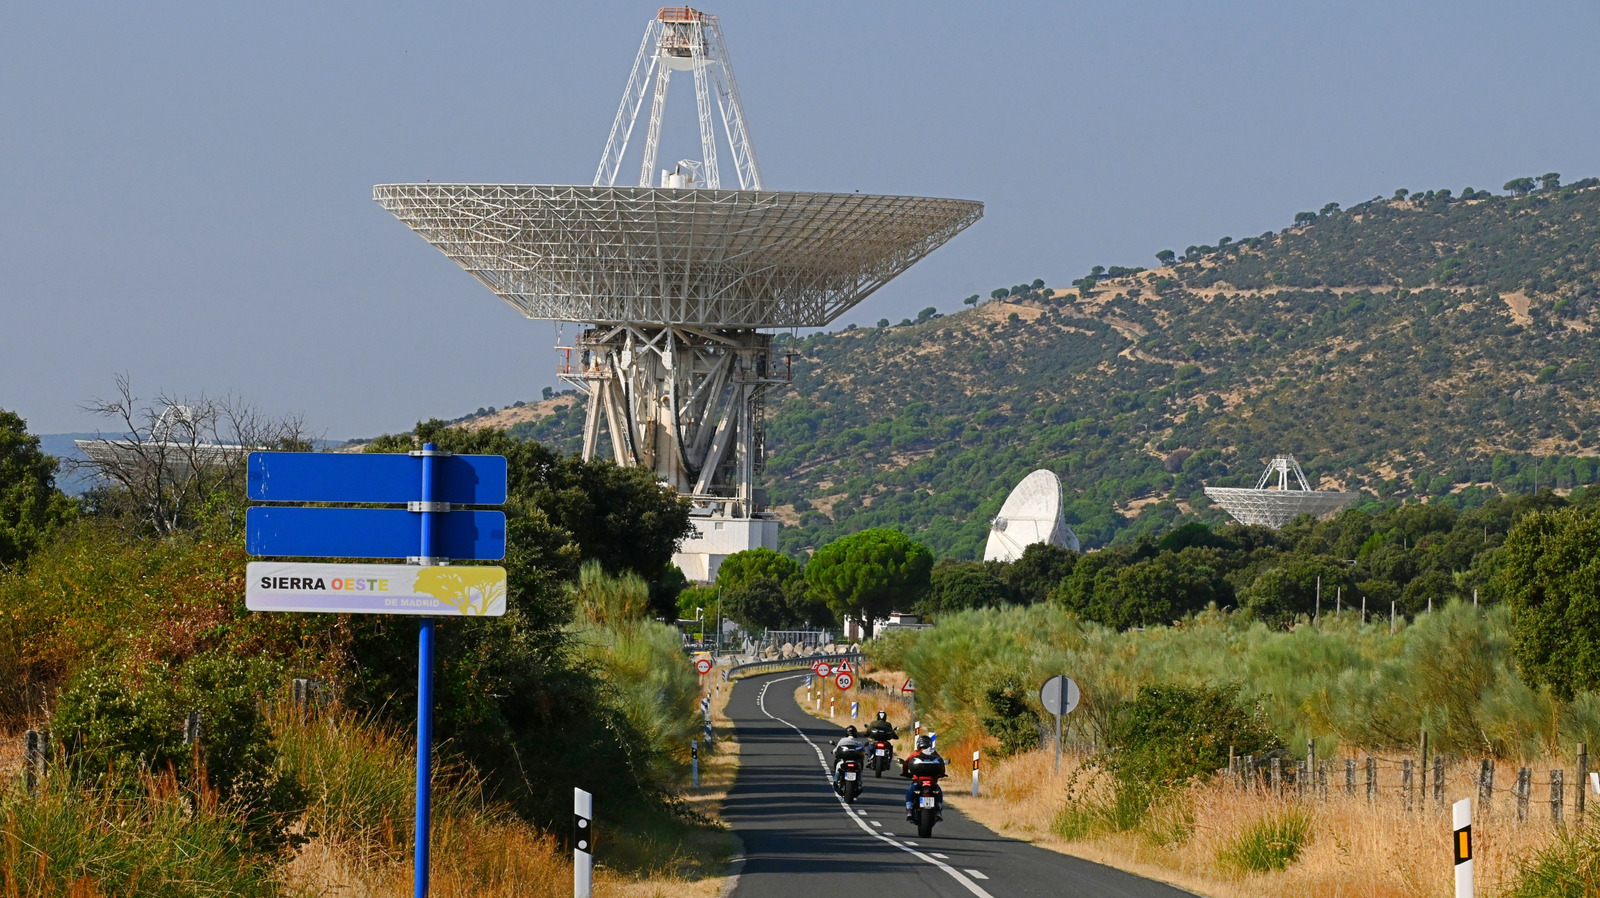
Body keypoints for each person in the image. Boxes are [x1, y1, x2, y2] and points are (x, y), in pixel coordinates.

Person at [900, 734, 946, 821]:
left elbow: (906, 763)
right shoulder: (934, 753)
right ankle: (938, 810)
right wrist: (942, 774)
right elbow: (941, 764)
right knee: (938, 792)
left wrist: (905, 772)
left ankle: (909, 810)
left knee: (910, 792)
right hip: (932, 781)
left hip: (918, 781)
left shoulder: (915, 753)